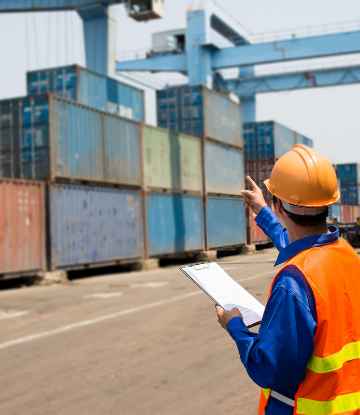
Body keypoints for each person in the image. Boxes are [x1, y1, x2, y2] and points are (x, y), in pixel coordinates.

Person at [215, 144, 360, 415]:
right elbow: (299, 244)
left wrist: (235, 327)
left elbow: (270, 368)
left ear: (279, 205)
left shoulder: (293, 284)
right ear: (327, 204)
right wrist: (262, 210)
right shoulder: (347, 255)